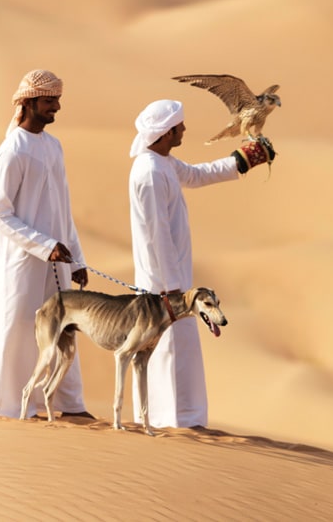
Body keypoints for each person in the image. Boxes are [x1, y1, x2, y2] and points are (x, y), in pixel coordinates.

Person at [128, 99, 275, 428]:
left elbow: (194, 176)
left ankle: (181, 421)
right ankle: (172, 424)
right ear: (166, 132)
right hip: (163, 285)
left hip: (174, 279)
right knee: (170, 354)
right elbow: (157, 235)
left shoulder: (161, 161)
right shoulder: (150, 172)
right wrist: (172, 291)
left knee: (180, 355)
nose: (184, 129)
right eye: (179, 126)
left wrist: (242, 161)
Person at [0, 69, 94, 420]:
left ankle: (70, 405)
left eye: (58, 100)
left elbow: (63, 209)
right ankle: (9, 408)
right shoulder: (12, 151)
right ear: (29, 103)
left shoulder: (53, 146)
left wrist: (76, 259)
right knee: (18, 329)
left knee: (62, 328)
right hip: (23, 261)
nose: (56, 108)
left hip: (58, 260)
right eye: (49, 101)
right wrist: (44, 246)